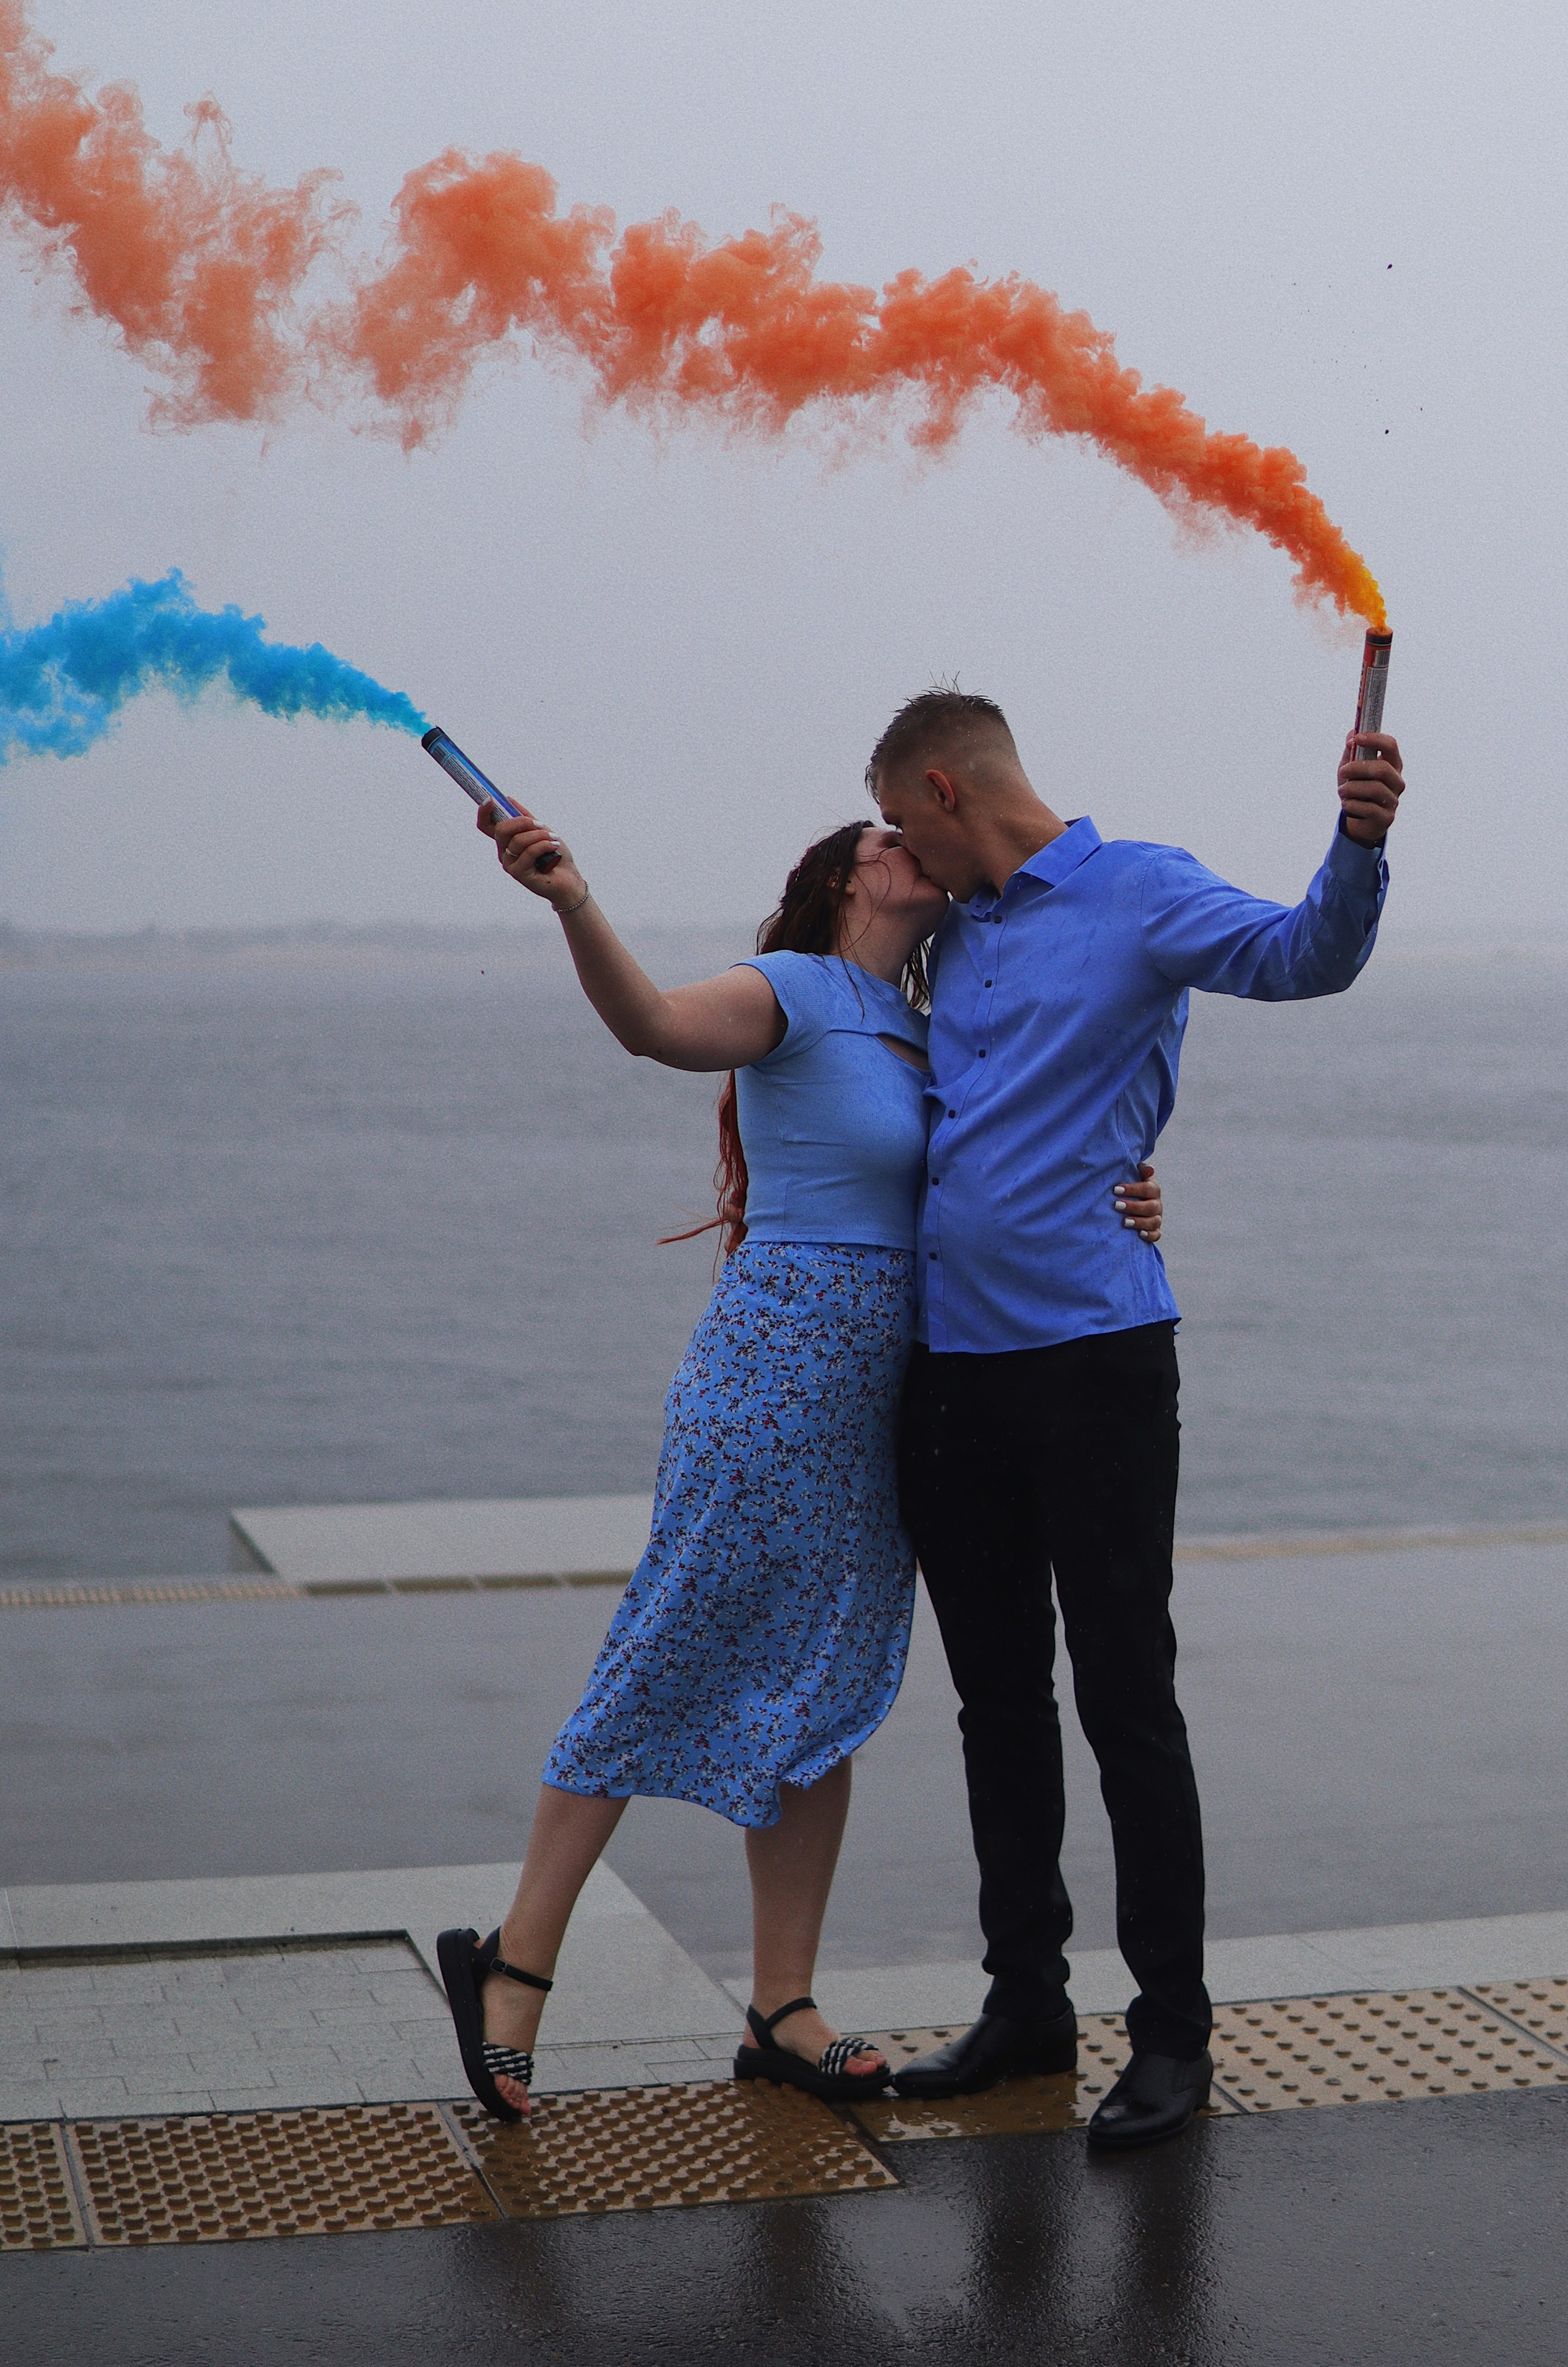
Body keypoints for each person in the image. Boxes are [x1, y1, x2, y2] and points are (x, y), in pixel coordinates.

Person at [435, 799, 1170, 2120]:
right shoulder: (790, 988)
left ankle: (783, 2005)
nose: (911, 846)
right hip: (775, 1369)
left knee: (822, 1678)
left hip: (895, 1387)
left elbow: (1003, 1166)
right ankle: (517, 1961)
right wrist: (572, 901)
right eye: (884, 839)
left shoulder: (928, 1028)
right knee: (665, 1644)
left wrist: (1129, 1189)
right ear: (842, 882)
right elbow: (653, 1026)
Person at [867, 689, 1404, 2152]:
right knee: (995, 1704)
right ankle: (1027, 2007)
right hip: (948, 1370)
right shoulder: (948, 930)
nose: (899, 851)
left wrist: (1356, 842)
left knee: (1124, 1697)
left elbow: (1303, 957)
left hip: (1094, 1359)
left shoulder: (1142, 890)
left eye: (903, 821)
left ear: (943, 787)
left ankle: (1171, 2036)